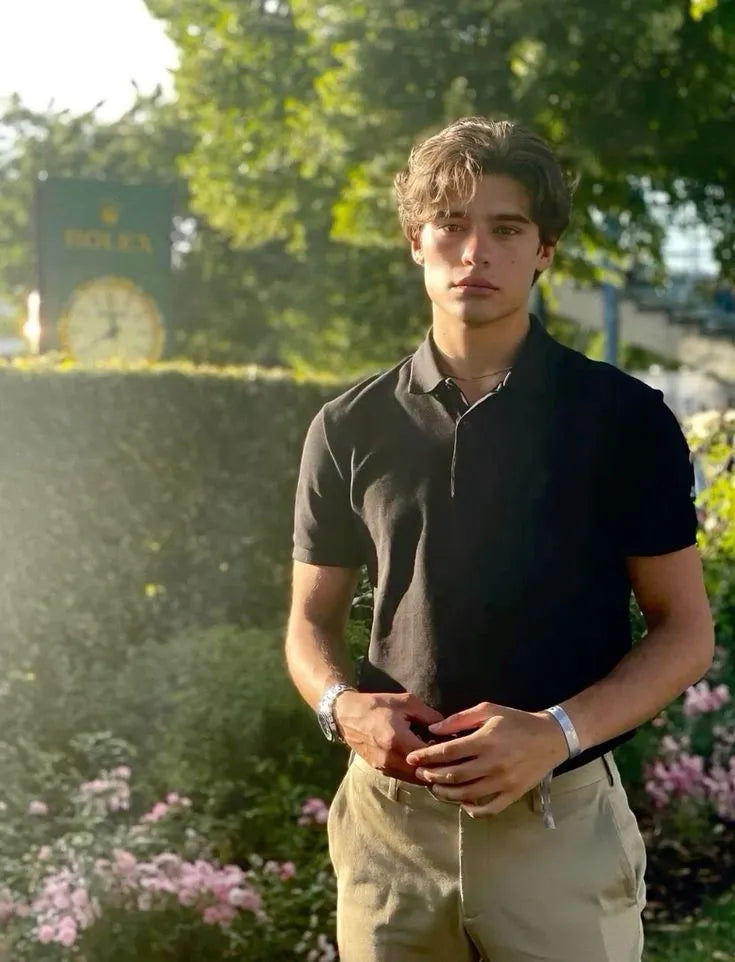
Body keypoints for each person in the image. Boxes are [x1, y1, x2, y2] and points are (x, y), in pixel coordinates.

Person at [285, 117, 714, 962]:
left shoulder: (623, 420)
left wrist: (555, 731)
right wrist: (343, 710)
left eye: (506, 228)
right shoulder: (346, 426)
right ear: (416, 241)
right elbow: (307, 624)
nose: (474, 251)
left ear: (543, 250)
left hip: (555, 827)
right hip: (388, 837)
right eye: (450, 224)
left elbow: (684, 632)